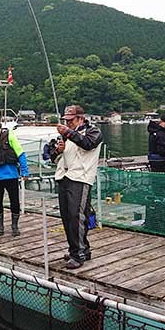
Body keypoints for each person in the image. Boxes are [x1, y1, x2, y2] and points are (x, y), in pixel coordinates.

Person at [53, 105, 103, 269]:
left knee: (77, 216)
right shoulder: (66, 136)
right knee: (66, 217)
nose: (68, 123)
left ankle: (79, 254)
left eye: (70, 120)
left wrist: (67, 133)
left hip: (81, 178)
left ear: (80, 118)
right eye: (65, 121)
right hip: (64, 176)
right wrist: (57, 151)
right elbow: (52, 157)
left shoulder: (93, 131)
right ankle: (78, 249)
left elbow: (88, 144)